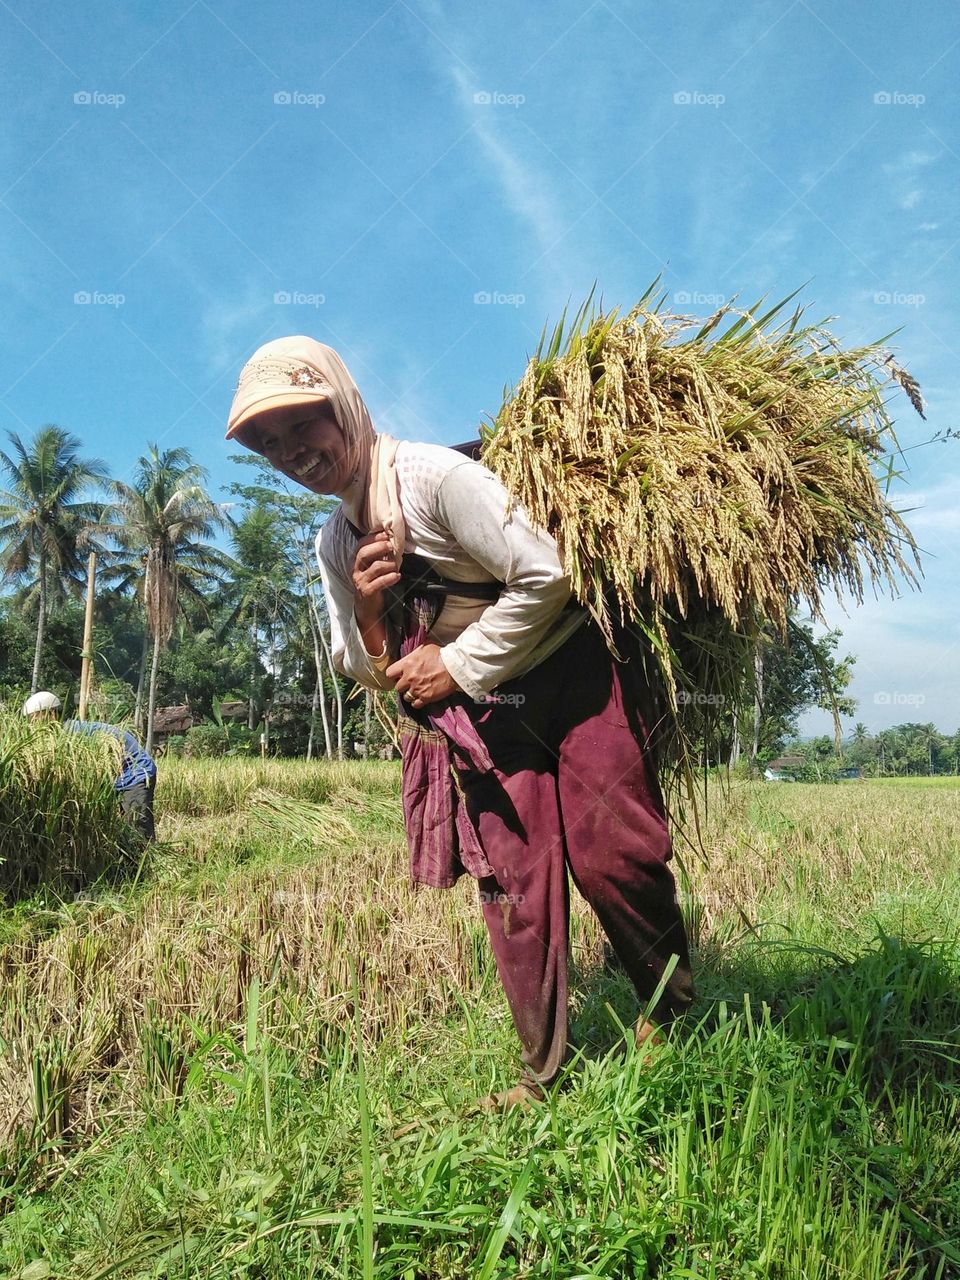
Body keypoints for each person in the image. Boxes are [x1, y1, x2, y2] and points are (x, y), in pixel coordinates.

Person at [226, 336, 694, 1108]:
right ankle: (541, 1075)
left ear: (343, 404)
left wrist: (459, 664)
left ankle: (670, 1013)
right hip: (485, 716)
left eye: (303, 426)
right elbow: (357, 661)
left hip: (572, 677)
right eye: (270, 445)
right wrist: (374, 614)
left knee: (616, 856)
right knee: (514, 887)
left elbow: (547, 572)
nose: (293, 453)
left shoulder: (436, 479)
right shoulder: (334, 540)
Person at [22, 691, 158, 840]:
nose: (32, 725)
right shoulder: (60, 737)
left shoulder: (72, 734)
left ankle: (144, 859)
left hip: (136, 773)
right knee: (117, 827)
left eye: (35, 719)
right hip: (117, 777)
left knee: (136, 825)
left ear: (52, 714)